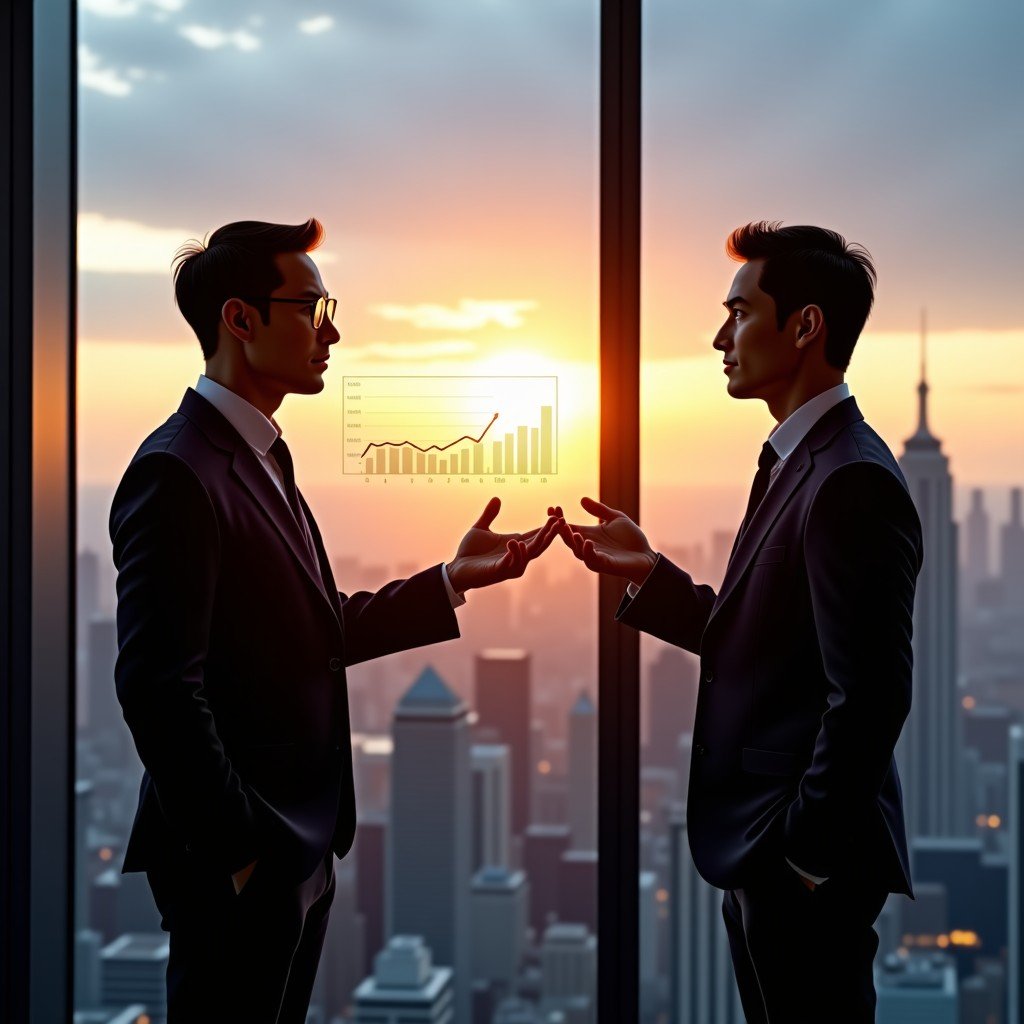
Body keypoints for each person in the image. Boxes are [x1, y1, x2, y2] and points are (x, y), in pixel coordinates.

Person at [109, 218, 558, 1023]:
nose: (333, 331)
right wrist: (244, 851)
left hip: (297, 851)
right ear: (239, 320)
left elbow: (309, 629)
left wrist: (451, 580)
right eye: (312, 308)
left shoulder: (255, 454)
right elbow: (155, 686)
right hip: (244, 862)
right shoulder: (179, 472)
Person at [552, 222, 923, 1022]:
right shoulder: (805, 460)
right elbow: (775, 641)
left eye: (740, 313)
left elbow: (871, 696)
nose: (720, 336)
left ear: (804, 326)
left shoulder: (848, 479)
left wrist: (806, 857)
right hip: (768, 854)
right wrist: (650, 575)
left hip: (798, 864)